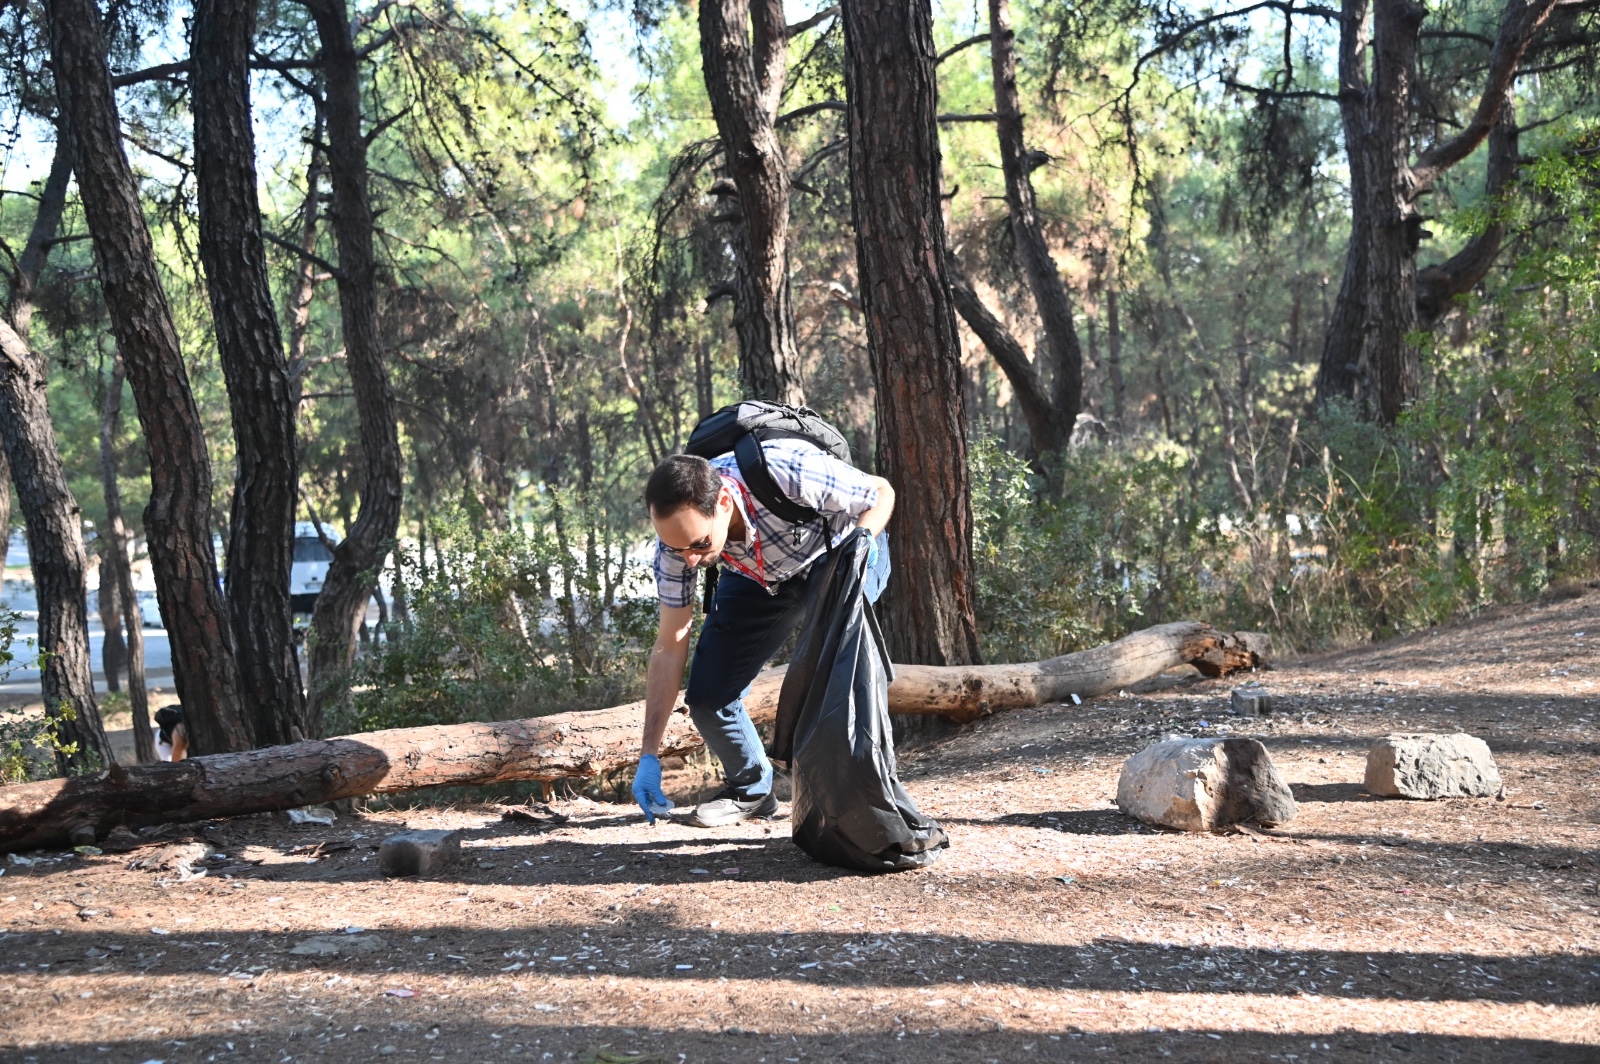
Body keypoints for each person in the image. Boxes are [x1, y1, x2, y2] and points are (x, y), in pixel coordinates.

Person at [632, 439, 895, 827]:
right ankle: (752, 791)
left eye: (699, 544)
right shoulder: (676, 551)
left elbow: (881, 491)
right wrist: (648, 754)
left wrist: (863, 540)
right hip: (757, 575)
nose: (689, 558)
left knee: (839, 674)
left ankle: (866, 798)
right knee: (709, 697)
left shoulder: (785, 470)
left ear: (722, 502)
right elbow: (670, 646)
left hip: (837, 551)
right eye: (677, 548)